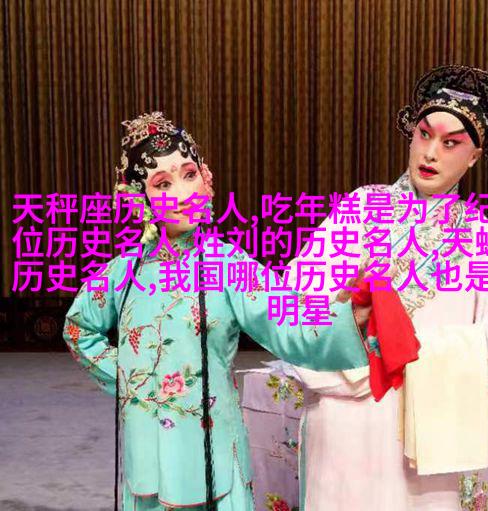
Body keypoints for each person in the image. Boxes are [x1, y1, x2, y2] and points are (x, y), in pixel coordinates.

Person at [63, 112, 372, 511]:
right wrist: (129, 379)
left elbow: (288, 321)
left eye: (189, 174)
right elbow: (78, 329)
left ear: (205, 180)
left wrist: (347, 316)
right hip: (146, 450)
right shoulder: (122, 273)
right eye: (162, 183)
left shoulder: (228, 265)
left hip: (213, 450)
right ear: (140, 198)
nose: (182, 192)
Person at [291, 65, 488, 510]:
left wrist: (426, 353)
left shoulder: (480, 238)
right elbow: (301, 288)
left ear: (474, 157)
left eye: (451, 143)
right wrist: (350, 318)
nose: (431, 153)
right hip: (347, 410)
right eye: (424, 135)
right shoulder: (361, 208)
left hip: (427, 424)